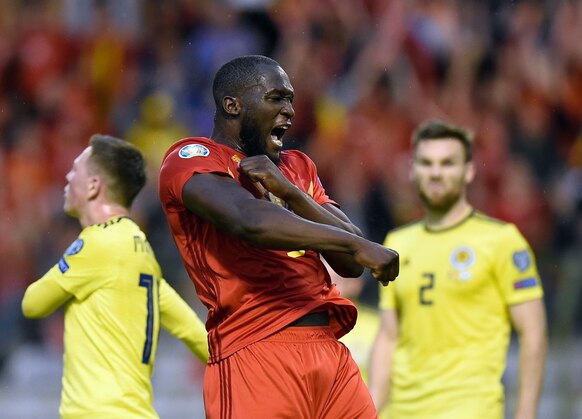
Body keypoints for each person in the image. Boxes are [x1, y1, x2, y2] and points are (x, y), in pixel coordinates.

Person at [158, 54, 399, 418]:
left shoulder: (295, 167)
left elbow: (351, 264)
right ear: (232, 105)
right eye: (276, 98)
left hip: (329, 351)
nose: (289, 111)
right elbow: (249, 220)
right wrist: (357, 244)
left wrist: (292, 194)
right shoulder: (193, 158)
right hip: (255, 348)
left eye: (291, 100)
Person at [369, 119, 548, 419]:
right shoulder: (396, 244)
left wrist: (526, 412)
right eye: (426, 163)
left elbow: (533, 332)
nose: (436, 172)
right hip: (399, 412)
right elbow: (389, 336)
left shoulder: (502, 241)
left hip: (469, 408)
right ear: (413, 171)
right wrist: (372, 407)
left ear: (469, 171)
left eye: (447, 163)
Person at [21, 134, 209, 418]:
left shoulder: (95, 245)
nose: (68, 177)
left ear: (94, 185)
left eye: (75, 170)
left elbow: (32, 303)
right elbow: (194, 334)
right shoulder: (143, 254)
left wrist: (69, 264)